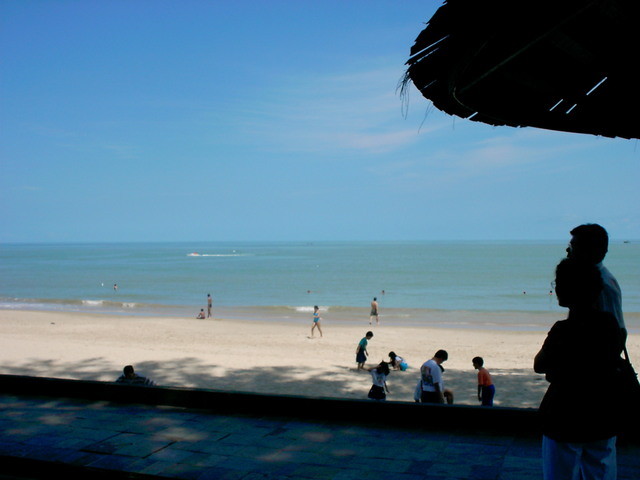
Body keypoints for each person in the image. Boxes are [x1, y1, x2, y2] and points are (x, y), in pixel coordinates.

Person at [534, 258, 623, 480]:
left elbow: (539, 365)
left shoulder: (563, 330)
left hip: (563, 416)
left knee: (559, 473)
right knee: (601, 472)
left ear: (568, 289)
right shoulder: (610, 325)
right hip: (602, 414)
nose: (556, 289)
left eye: (558, 283)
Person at [567, 223, 626, 342]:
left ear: (591, 250)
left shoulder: (601, 285)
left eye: (574, 246)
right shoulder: (596, 278)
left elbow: (615, 332)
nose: (568, 250)